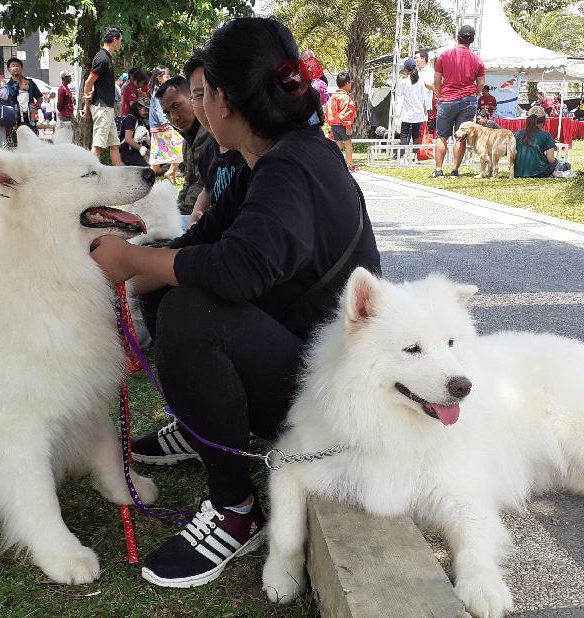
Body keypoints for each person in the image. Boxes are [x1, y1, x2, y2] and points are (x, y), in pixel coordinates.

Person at [88, 16, 380, 588]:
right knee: (170, 284)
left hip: (333, 398)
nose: (196, 104)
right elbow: (203, 241)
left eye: (200, 93)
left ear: (222, 100)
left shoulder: (293, 168)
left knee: (194, 311)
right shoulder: (260, 161)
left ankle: (236, 509)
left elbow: (236, 269)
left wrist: (133, 262)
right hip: (300, 357)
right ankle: (202, 421)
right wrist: (119, 283)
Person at [183, 47, 246, 226]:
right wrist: (196, 214)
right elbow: (208, 189)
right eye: (198, 95)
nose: (207, 104)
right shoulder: (208, 152)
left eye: (210, 93)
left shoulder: (254, 153)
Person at [156, 74, 216, 214]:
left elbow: (204, 186)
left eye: (176, 106)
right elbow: (189, 182)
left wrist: (179, 214)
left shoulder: (211, 134)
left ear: (193, 97)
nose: (174, 118)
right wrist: (175, 210)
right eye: (167, 112)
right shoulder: (187, 140)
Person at [432, 25, 484, 178]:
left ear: (458, 37)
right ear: (472, 40)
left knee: (442, 136)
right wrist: (476, 93)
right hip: (468, 100)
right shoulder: (477, 60)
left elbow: (437, 79)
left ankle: (438, 170)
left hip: (447, 99)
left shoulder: (445, 55)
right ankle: (455, 170)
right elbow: (480, 83)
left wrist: (439, 94)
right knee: (460, 136)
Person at [83, 27, 123, 165]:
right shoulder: (102, 58)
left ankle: (119, 175)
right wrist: (87, 105)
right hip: (102, 108)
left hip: (107, 108)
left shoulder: (106, 57)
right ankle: (89, 176)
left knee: (114, 144)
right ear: (114, 39)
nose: (120, 44)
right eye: (120, 41)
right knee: (98, 145)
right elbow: (88, 83)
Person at [148, 67, 183, 180]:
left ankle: (169, 172)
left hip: (159, 128)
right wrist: (167, 126)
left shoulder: (158, 91)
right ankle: (170, 171)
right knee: (180, 145)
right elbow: (159, 112)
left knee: (157, 155)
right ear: (159, 78)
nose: (169, 79)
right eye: (167, 77)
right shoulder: (158, 92)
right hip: (161, 128)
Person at [395, 58, 428, 161]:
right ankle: (414, 157)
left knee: (404, 135)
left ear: (406, 69)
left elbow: (399, 96)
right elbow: (425, 97)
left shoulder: (403, 81)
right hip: (418, 113)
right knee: (416, 136)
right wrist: (425, 109)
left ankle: (403, 157)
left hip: (407, 113)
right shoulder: (421, 81)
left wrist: (397, 113)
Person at [5, 57, 42, 144]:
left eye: (17, 65)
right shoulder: (7, 86)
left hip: (30, 119)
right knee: (16, 143)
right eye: (13, 66)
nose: (15, 68)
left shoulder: (30, 83)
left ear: (22, 68)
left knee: (32, 143)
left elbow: (39, 97)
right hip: (14, 120)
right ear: (8, 69)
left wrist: (36, 106)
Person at [514, 106, 557, 178]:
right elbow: (551, 159)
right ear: (543, 121)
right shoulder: (546, 135)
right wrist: (557, 162)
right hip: (539, 172)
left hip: (518, 172)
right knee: (555, 163)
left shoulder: (518, 133)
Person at [326, 72, 357, 172]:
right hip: (343, 124)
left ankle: (334, 163)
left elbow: (328, 110)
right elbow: (346, 112)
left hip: (333, 123)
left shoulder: (333, 97)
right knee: (348, 144)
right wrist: (348, 125)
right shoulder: (345, 97)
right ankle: (349, 165)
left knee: (338, 144)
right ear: (348, 83)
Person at [119, 99, 150, 167]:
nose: (147, 112)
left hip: (138, 153)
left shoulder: (141, 121)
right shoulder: (131, 118)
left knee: (158, 169)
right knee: (148, 170)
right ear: (138, 108)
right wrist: (145, 150)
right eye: (145, 110)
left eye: (148, 110)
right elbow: (128, 139)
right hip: (129, 153)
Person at [413, 50, 436, 136]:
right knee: (415, 134)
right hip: (414, 107)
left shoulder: (431, 72)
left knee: (426, 134)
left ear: (423, 59)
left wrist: (423, 84)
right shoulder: (414, 72)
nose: (414, 60)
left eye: (416, 58)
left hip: (426, 108)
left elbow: (436, 88)